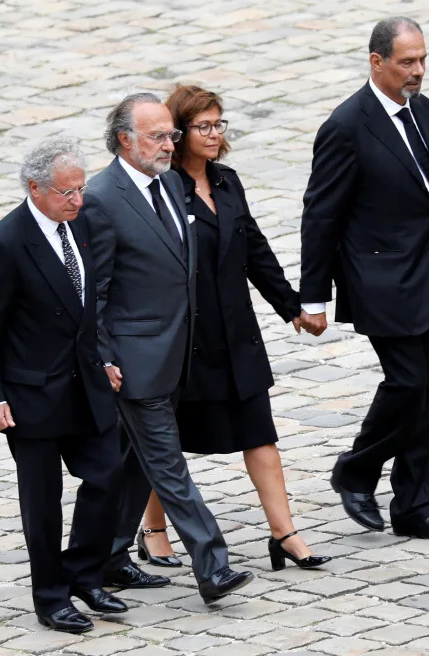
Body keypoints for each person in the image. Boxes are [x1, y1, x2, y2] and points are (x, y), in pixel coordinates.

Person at [135, 85, 331, 572]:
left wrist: (293, 307)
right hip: (185, 341)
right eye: (203, 126)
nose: (214, 134)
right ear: (178, 134)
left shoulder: (227, 182)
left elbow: (255, 251)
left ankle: (285, 534)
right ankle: (154, 529)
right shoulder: (162, 190)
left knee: (259, 434)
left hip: (236, 333)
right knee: (168, 442)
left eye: (219, 124)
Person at [81, 92, 254, 603]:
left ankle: (110, 557)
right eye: (158, 136)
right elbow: (97, 293)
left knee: (134, 463)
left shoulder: (175, 183)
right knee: (167, 465)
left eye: (171, 134)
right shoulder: (102, 199)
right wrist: (106, 356)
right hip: (135, 363)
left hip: (178, 354)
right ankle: (213, 566)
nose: (169, 144)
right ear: (123, 140)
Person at [299, 17, 429, 540]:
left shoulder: (425, 111)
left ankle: (416, 506)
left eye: (422, 59)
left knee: (426, 393)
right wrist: (313, 294)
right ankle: (356, 468)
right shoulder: (346, 126)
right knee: (408, 383)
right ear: (377, 62)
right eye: (406, 62)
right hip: (380, 279)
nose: (417, 71)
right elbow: (320, 214)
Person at [0, 138, 129, 633]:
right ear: (35, 188)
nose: (79, 200)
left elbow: (88, 309)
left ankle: (83, 572)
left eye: (80, 189)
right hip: (30, 396)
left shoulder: (74, 226)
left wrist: (103, 358)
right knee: (42, 501)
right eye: (67, 192)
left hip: (85, 384)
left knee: (108, 474)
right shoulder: (7, 243)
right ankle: (51, 597)